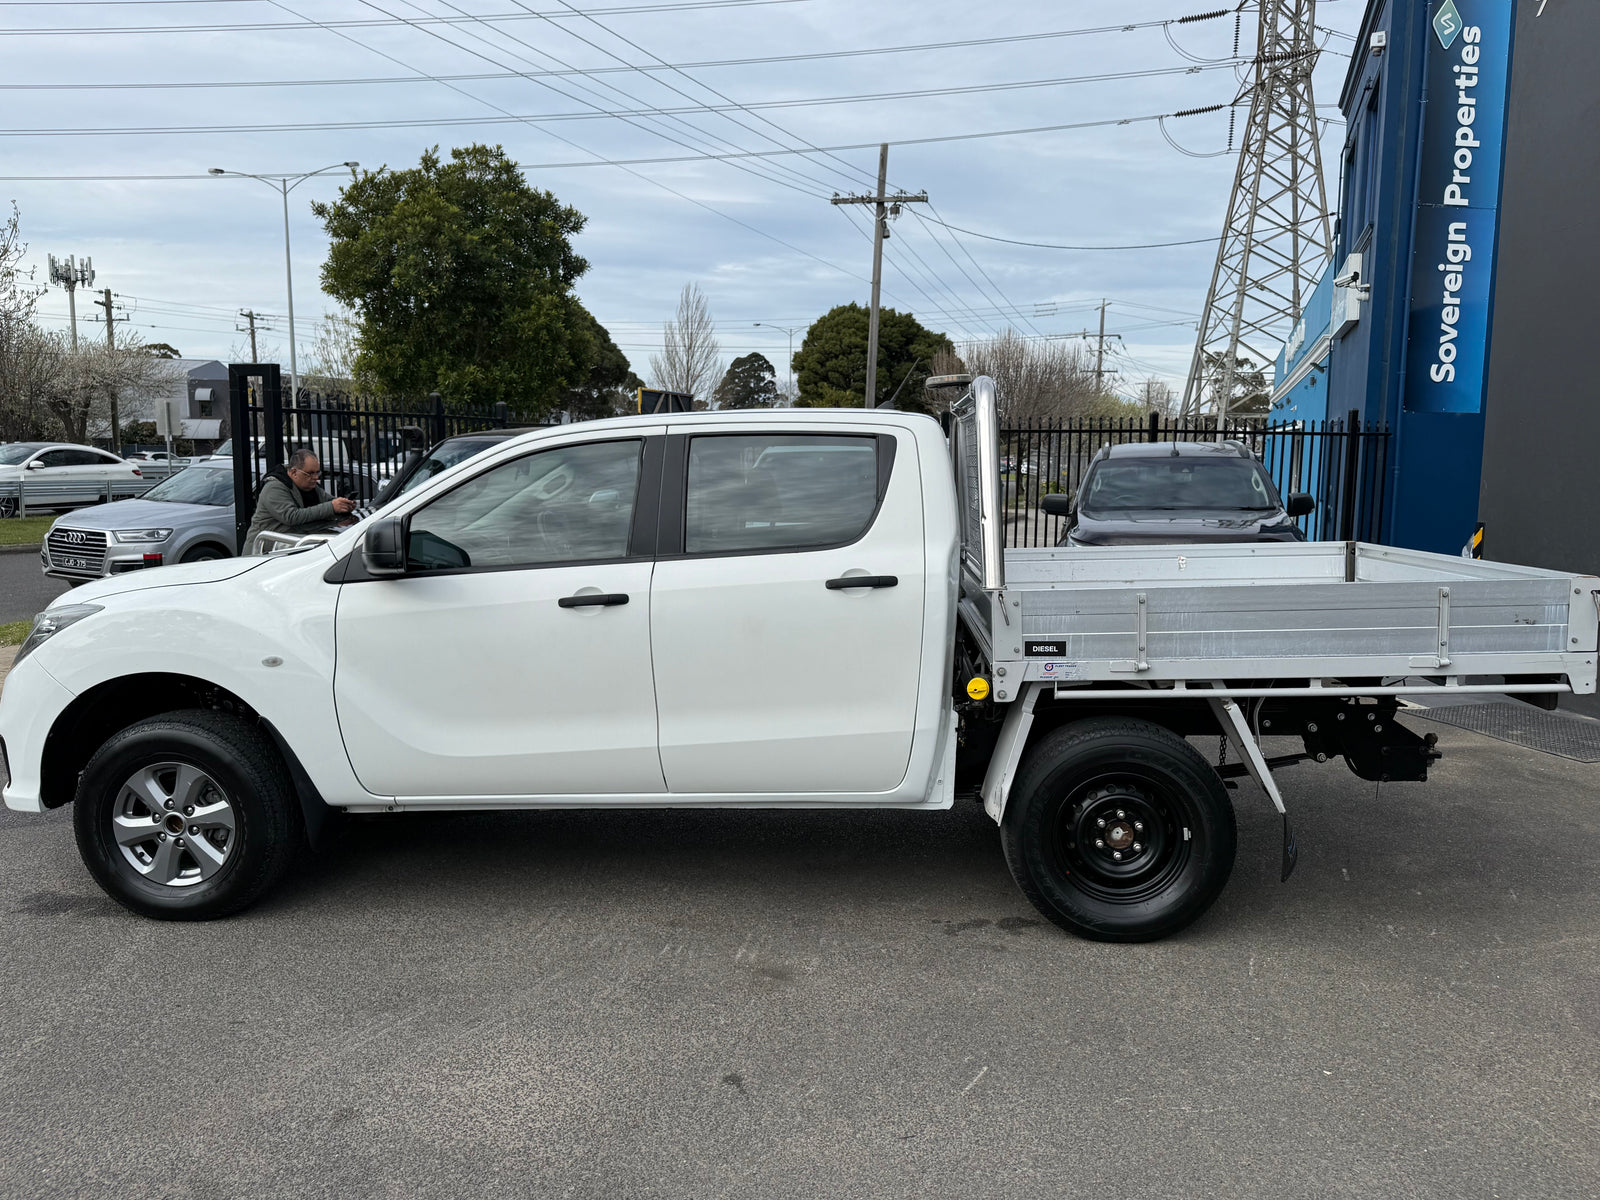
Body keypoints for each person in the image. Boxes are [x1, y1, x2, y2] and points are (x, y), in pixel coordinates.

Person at [244, 449, 356, 553]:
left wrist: (343, 505)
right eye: (310, 473)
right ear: (294, 473)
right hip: (262, 552)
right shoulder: (274, 487)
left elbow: (328, 501)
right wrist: (332, 507)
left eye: (317, 472)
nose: (316, 477)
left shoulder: (310, 487)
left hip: (287, 548)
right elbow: (291, 516)